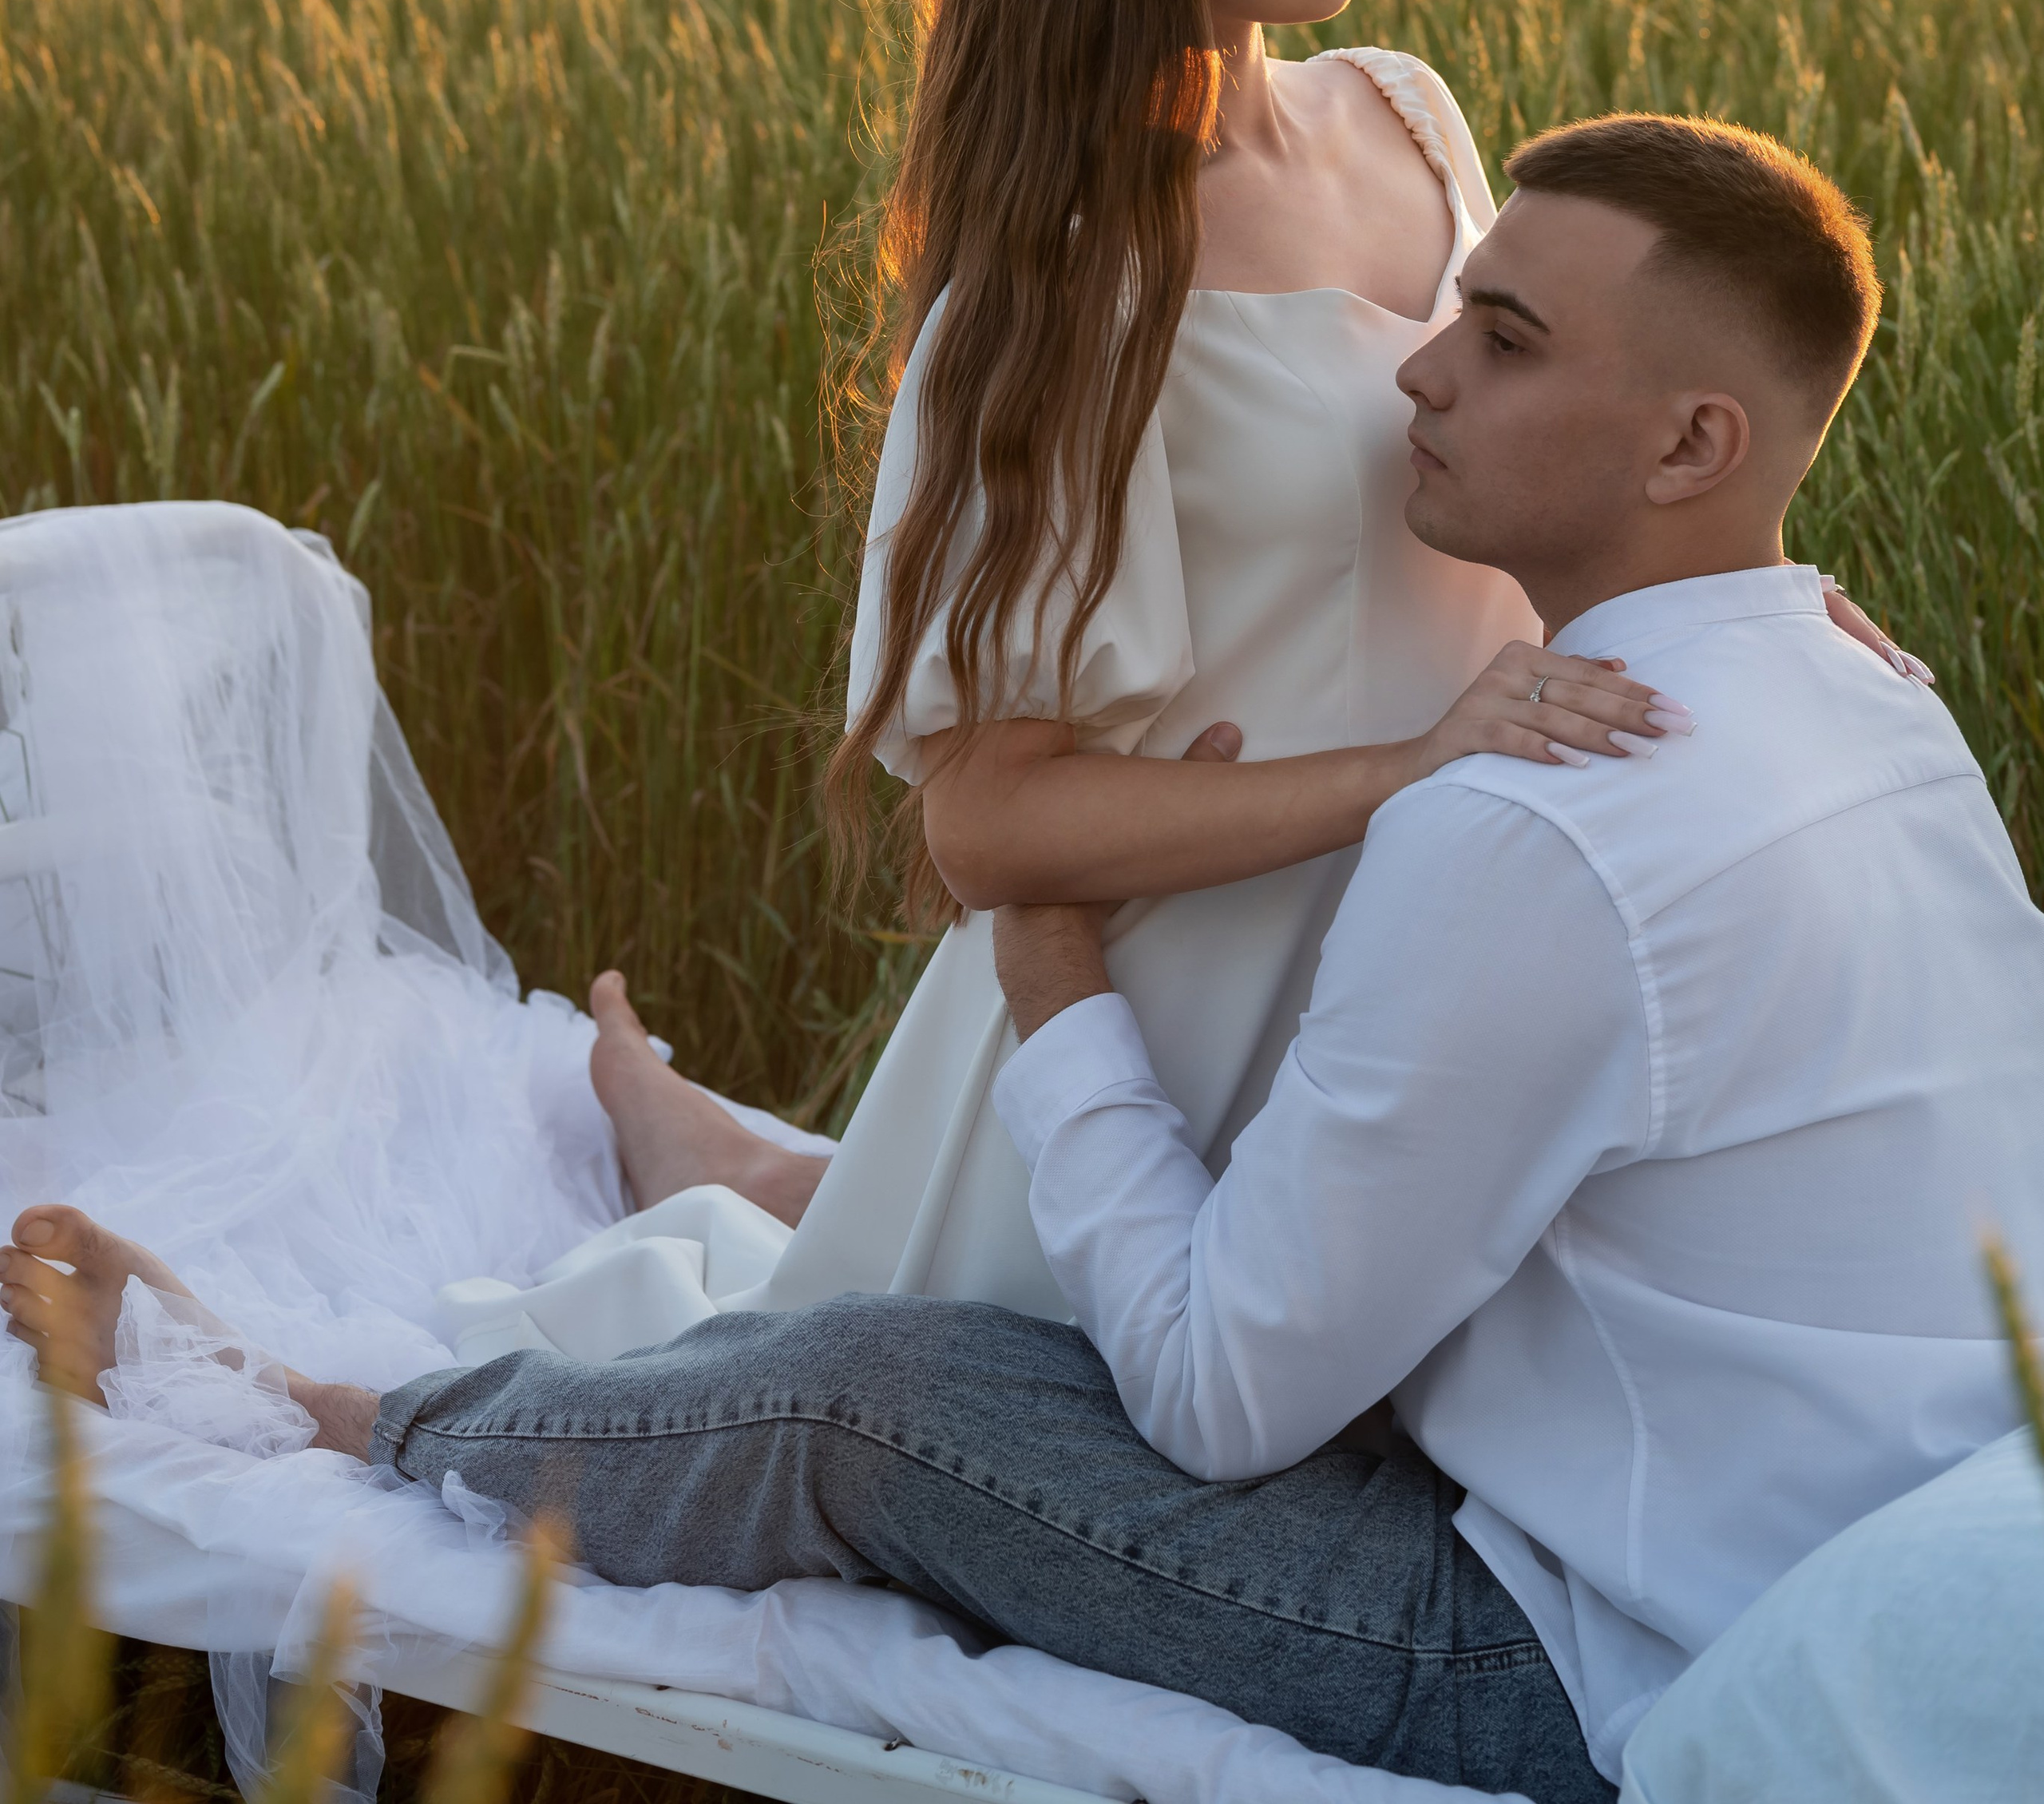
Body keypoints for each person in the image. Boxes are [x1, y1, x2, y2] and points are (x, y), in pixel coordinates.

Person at [14, 113, 2035, 1804]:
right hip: (1893, 1512)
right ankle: (725, 1191)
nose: (1414, 373)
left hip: (1607, 1650)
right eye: (1447, 312)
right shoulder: (1873, 708)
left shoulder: (1530, 826)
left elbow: (1220, 1395)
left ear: (1688, 448)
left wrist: (1056, 962)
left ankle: (309, 1406)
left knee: (871, 1396)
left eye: (1497, 340)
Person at [569, 0, 1880, 1314]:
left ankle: (730, 1160)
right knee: (772, 1413)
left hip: (1457, 954)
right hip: (1187, 1003)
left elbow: (1568, 463)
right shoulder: (1053, 291)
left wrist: (1749, 611)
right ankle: (684, 1200)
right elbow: (980, 824)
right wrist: (1406, 767)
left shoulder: (1403, 114)